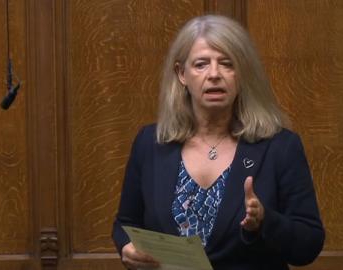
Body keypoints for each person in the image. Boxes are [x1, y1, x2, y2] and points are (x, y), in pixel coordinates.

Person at [112, 15, 324, 270]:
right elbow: (126, 222)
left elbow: (309, 244)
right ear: (182, 74)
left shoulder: (280, 146)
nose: (214, 74)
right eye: (201, 64)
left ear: (241, 74)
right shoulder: (150, 143)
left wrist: (265, 221)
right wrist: (127, 247)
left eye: (227, 64)